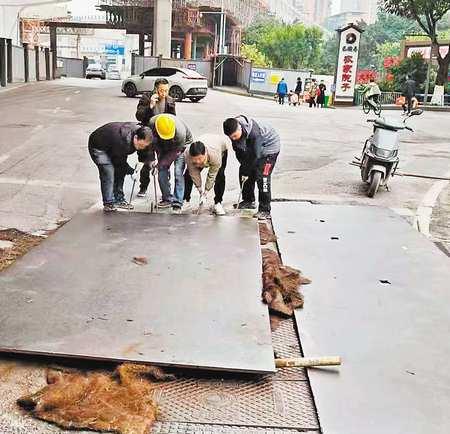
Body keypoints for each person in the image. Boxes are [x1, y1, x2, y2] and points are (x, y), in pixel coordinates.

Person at [223, 116, 281, 220]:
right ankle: (248, 201)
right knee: (243, 171)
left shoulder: (255, 133)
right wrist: (245, 168)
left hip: (269, 149)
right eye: (231, 137)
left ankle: (265, 210)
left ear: (240, 128)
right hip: (255, 148)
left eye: (235, 136)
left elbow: (256, 155)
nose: (233, 139)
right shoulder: (234, 129)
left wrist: (248, 168)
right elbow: (240, 153)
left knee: (263, 177)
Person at [88, 122, 152, 212]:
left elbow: (145, 152)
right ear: (135, 137)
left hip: (113, 145)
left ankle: (119, 199)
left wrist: (142, 163)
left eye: (144, 146)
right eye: (140, 145)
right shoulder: (123, 141)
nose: (141, 148)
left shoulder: (144, 135)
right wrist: (132, 171)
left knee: (120, 171)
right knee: (108, 171)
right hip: (98, 146)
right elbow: (120, 163)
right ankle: (108, 203)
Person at [135, 78, 176, 197]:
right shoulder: (146, 98)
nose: (164, 93)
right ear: (155, 89)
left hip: (163, 136)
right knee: (147, 163)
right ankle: (143, 187)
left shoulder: (170, 100)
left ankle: (166, 191)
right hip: (148, 134)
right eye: (161, 90)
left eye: (166, 90)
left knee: (164, 164)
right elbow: (139, 116)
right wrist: (150, 105)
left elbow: (173, 119)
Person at [148, 113, 193, 212]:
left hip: (181, 146)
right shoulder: (151, 124)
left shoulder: (180, 133)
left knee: (178, 172)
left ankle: (178, 201)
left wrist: (159, 164)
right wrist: (152, 159)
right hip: (162, 145)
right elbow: (149, 143)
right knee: (161, 170)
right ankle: (167, 198)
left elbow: (175, 153)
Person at [184, 134, 231, 216]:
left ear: (205, 153)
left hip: (220, 148)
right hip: (206, 143)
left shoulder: (215, 154)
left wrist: (206, 192)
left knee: (220, 175)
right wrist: (200, 190)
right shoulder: (187, 154)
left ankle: (218, 203)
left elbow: (212, 175)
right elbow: (194, 173)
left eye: (199, 159)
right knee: (188, 175)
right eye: (195, 160)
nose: (198, 162)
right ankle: (186, 200)